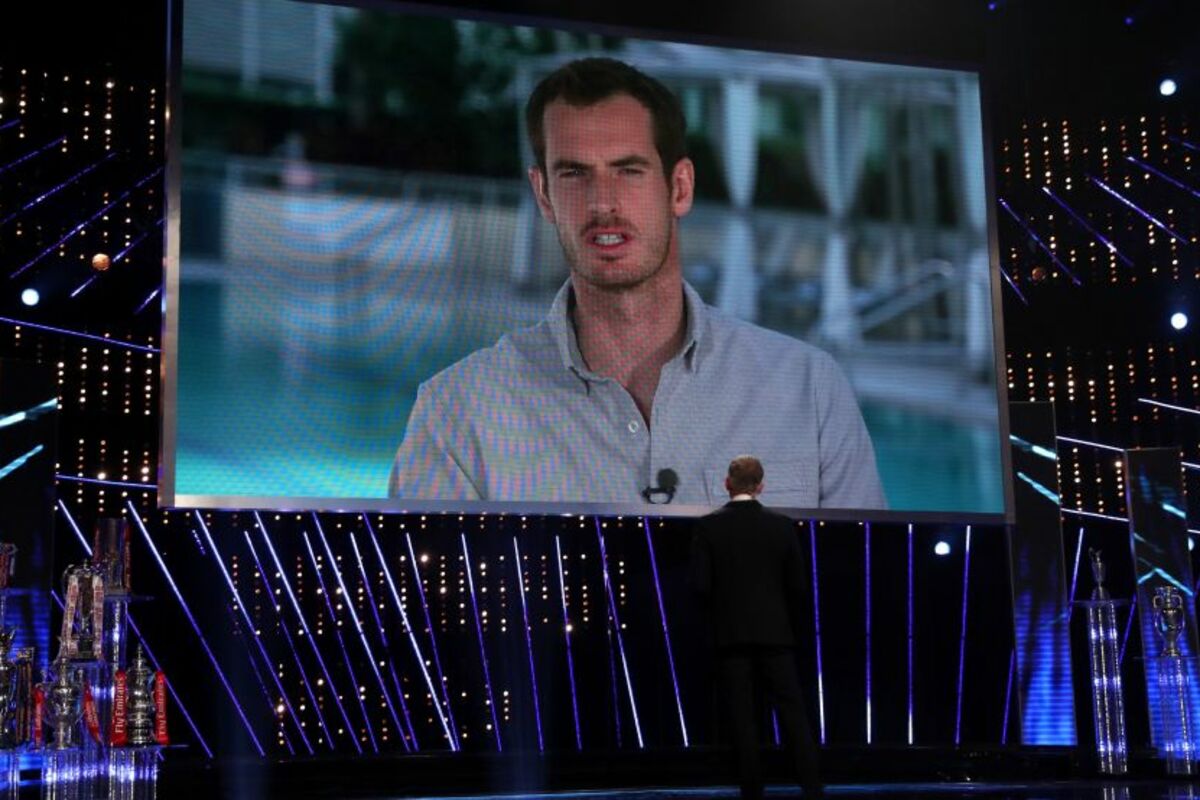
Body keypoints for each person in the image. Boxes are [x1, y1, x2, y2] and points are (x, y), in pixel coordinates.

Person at [389, 57, 885, 508]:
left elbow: (867, 575)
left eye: (628, 170)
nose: (603, 202)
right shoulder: (457, 416)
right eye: (574, 173)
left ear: (679, 187)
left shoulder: (808, 392)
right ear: (543, 195)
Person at [690, 455, 823, 799]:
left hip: (731, 637)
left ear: (727, 484)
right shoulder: (782, 526)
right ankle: (812, 788)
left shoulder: (708, 527)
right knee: (793, 714)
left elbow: (701, 586)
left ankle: (752, 791)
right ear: (761, 486)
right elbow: (798, 586)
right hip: (776, 635)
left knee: (743, 718)